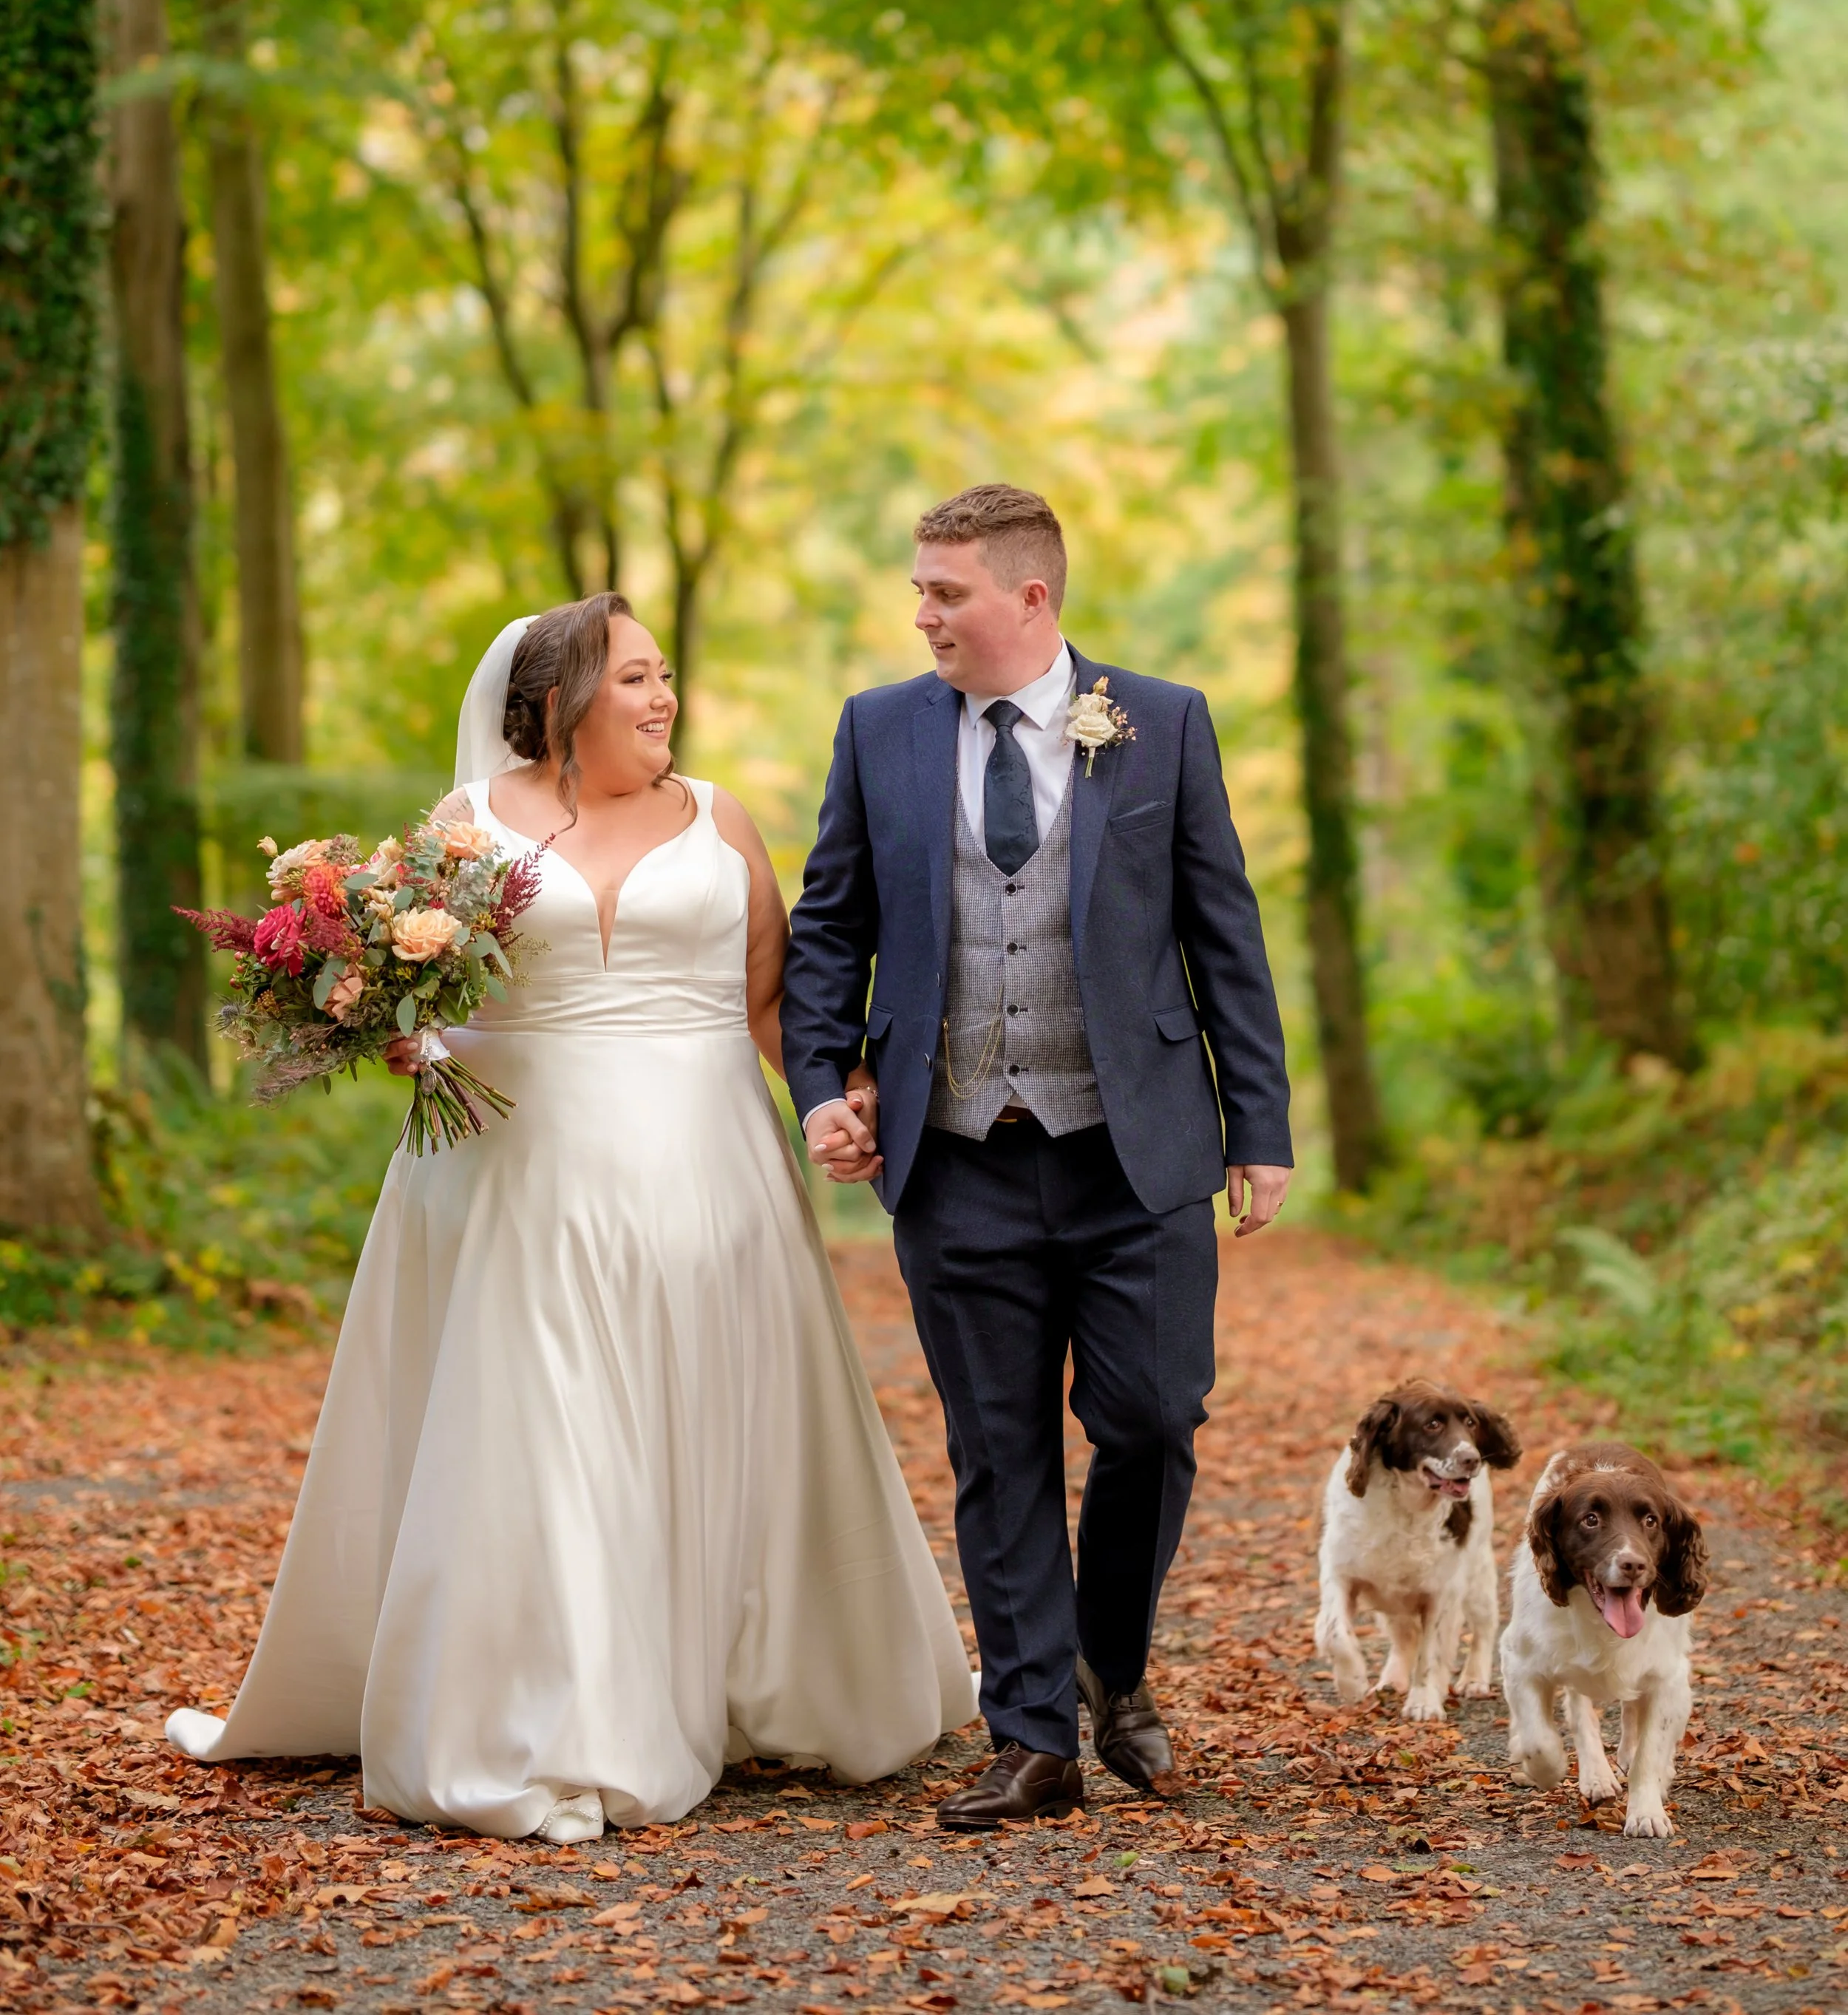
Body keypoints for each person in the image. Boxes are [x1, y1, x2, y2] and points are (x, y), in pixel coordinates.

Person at [166, 593, 973, 1839]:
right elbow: (405, 992)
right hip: (516, 1184)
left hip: (714, 1182)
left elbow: (773, 1007)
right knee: (548, 1438)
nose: (665, 699)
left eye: (665, 677)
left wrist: (841, 1099)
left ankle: (728, 1676)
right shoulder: (466, 826)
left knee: (709, 1416)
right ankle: (563, 1719)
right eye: (639, 678)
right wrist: (392, 1027)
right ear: (561, 705)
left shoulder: (721, 820)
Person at [781, 486, 1291, 1828]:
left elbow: (1220, 926)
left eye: (945, 591)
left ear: (1031, 597)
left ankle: (1108, 1665)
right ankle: (1031, 1735)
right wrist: (822, 1081)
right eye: (919, 590)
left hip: (1137, 1149)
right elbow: (830, 925)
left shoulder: (1160, 719)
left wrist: (1264, 1126)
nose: (923, 613)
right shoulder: (879, 728)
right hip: (957, 1156)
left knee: (1151, 1418)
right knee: (999, 1447)